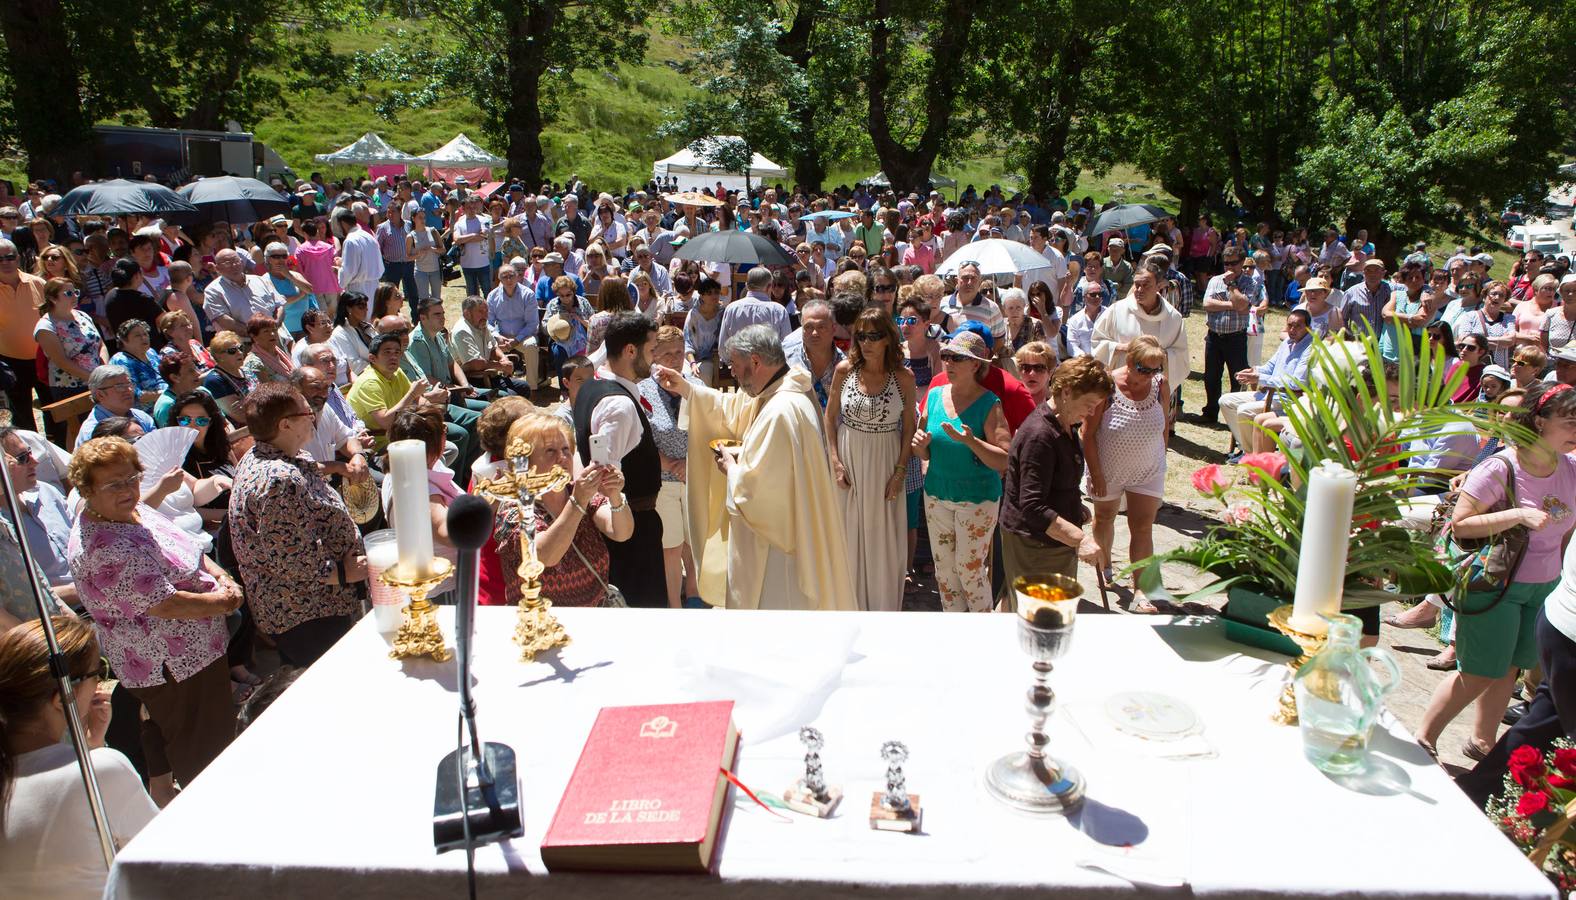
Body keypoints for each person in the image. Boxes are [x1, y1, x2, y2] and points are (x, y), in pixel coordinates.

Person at [66, 437, 241, 791]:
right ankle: (213, 809)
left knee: (174, 732)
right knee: (202, 745)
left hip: (197, 651)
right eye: (114, 484)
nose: (128, 488)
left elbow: (185, 546)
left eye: (132, 477)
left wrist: (222, 577)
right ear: (86, 489)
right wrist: (226, 601)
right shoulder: (104, 548)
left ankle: (164, 795)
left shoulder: (132, 509)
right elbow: (166, 603)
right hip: (173, 664)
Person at [1415, 384, 1576, 761]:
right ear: (1539, 421)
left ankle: (1482, 741)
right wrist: (1517, 515)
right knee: (1479, 670)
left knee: (1511, 669)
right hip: (1494, 581)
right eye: (1570, 422)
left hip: (1545, 588)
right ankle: (1424, 736)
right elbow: (1461, 525)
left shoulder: (1570, 469)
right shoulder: (1501, 466)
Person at [653, 324, 856, 610]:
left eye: (735, 365)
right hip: (791, 534)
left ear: (756, 362)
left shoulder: (781, 411)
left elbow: (759, 494)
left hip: (780, 550)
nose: (732, 373)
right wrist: (688, 389)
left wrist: (731, 469)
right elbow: (736, 409)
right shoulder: (780, 391)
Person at [0, 616, 160, 900]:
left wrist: (91, 746)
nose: (101, 682)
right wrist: (93, 755)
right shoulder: (101, 771)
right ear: (62, 698)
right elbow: (162, 860)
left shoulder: (93, 768)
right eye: (97, 671)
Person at [228, 383, 368, 667]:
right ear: (285, 425)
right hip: (307, 612)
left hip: (314, 606)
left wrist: (339, 467)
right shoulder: (278, 480)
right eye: (307, 412)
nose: (313, 416)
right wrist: (343, 572)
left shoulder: (276, 455)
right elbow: (290, 560)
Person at [911, 330, 1011, 612]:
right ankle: (954, 632)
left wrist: (971, 441)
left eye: (957, 358)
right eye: (945, 356)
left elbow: (1004, 460)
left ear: (976, 365)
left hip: (976, 500)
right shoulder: (934, 396)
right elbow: (924, 449)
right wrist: (919, 447)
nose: (948, 362)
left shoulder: (990, 403)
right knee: (945, 574)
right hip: (937, 495)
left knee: (969, 571)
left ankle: (982, 632)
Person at [571, 313, 666, 607]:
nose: (655, 358)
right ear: (630, 351)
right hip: (629, 535)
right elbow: (604, 476)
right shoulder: (619, 406)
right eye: (651, 350)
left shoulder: (591, 384)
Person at [998, 356, 1111, 602]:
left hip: (1052, 542)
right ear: (1067, 392)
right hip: (1035, 546)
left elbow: (1053, 482)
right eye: (1090, 403)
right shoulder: (1040, 436)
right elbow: (1033, 506)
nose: (1092, 411)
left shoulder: (1065, 424)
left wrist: (1073, 506)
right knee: (1041, 620)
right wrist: (1080, 539)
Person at [492, 411, 632, 608]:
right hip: (543, 625)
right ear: (525, 460)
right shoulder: (514, 507)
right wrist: (577, 502)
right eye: (550, 451)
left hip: (596, 617)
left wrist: (615, 494)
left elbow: (622, 532)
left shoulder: (576, 492)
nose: (563, 458)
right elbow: (545, 556)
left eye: (566, 449)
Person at [826, 308, 916, 612]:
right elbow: (829, 419)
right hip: (849, 459)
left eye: (874, 336)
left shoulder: (903, 378)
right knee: (848, 533)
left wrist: (900, 471)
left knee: (883, 539)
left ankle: (882, 610)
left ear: (888, 339)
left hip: (886, 460)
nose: (867, 342)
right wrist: (836, 462)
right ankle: (847, 607)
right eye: (861, 335)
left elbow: (909, 429)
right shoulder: (843, 370)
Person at [1083, 337, 1172, 608]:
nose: (1149, 376)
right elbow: (1087, 434)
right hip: (1108, 468)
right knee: (1105, 517)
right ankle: (1106, 565)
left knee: (1143, 527)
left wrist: (1162, 454)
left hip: (1148, 468)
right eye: (1144, 369)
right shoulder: (1107, 385)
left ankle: (1142, 590)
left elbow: (1165, 424)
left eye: (1155, 370)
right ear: (1130, 361)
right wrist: (1096, 473)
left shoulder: (1161, 385)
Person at [637, 326, 704, 608]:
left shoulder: (697, 388)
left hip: (693, 475)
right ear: (654, 356)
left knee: (692, 540)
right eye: (667, 354)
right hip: (661, 479)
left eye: (679, 352)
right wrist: (664, 461)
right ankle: (672, 604)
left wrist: (690, 463)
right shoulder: (642, 391)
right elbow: (638, 436)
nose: (675, 359)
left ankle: (694, 593)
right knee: (671, 545)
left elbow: (710, 429)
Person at [1219, 309, 1315, 454]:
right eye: (1290, 325)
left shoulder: (1310, 348)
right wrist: (1253, 371)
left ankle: (1252, 454)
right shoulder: (1287, 342)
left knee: (1244, 410)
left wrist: (1260, 379)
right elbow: (1270, 367)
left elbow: (1296, 383)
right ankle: (1248, 449)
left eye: (1297, 326)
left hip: (1288, 400)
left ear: (1308, 328)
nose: (1292, 330)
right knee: (1226, 401)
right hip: (1270, 394)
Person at [1091, 265, 1188, 389]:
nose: (1140, 289)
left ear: (1159, 286)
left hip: (1154, 386)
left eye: (1146, 285)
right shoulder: (1117, 310)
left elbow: (1181, 355)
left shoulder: (1173, 318)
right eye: (1137, 284)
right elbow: (1097, 341)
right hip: (1121, 383)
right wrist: (1122, 348)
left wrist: (1157, 355)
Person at [33, 277, 106, 436]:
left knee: (103, 425)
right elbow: (61, 361)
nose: (75, 296)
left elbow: (100, 344)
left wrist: (104, 370)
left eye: (76, 292)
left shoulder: (82, 315)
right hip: (69, 387)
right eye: (68, 293)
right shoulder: (46, 326)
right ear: (52, 298)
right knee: (77, 430)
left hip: (97, 381)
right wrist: (94, 378)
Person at [1199, 245, 1261, 424]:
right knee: (1211, 376)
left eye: (1233, 263)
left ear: (1242, 262)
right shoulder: (1215, 280)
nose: (1229, 268)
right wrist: (1232, 304)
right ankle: (1210, 412)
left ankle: (1235, 415)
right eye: (1226, 263)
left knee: (1238, 377)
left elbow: (1243, 306)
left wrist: (1232, 285)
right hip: (1214, 336)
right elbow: (1207, 304)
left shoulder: (1250, 283)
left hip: (1236, 337)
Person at [1, 238, 50, 432]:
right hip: (10, 361)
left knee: (52, 409)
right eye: (0, 259)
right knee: (22, 416)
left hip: (43, 357)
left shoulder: (38, 283)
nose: (5, 262)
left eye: (10, 257)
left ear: (18, 258)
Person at [75, 365, 154, 448]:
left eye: (129, 384)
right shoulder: (93, 433)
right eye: (120, 387)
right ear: (100, 394)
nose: (129, 390)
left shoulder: (141, 416)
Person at [717, 267, 791, 349]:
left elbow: (722, 347)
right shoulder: (779, 311)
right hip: (768, 361)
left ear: (746, 286)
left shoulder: (731, 309)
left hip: (738, 361)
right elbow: (787, 345)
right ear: (769, 286)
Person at [110, 319, 166, 412]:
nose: (144, 338)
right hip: (144, 413)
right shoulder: (121, 361)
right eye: (137, 335)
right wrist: (168, 393)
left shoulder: (151, 352)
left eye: (145, 334)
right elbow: (137, 395)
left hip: (164, 403)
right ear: (124, 340)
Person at [201, 331, 253, 425]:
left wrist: (248, 402)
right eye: (232, 351)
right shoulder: (215, 380)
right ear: (219, 356)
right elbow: (242, 417)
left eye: (240, 348)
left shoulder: (247, 370)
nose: (240, 353)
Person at [334, 208, 384, 301]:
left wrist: (339, 269)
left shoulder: (350, 240)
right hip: (375, 287)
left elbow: (349, 271)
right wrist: (343, 262)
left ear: (343, 224)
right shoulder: (369, 236)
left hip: (358, 290)